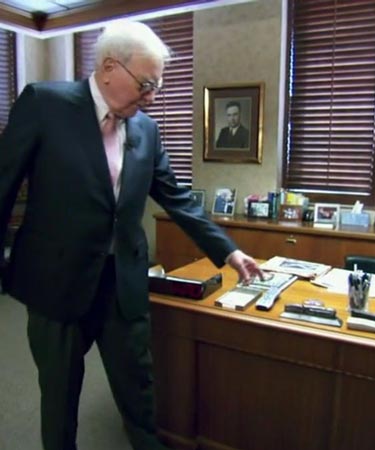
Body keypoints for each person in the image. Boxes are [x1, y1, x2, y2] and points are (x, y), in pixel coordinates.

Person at [0, 20, 263, 450]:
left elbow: (177, 198)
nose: (151, 97)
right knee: (60, 399)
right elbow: (3, 186)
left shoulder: (146, 129)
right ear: (109, 68)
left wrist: (228, 252)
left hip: (123, 283)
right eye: (146, 84)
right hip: (57, 283)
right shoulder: (45, 105)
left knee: (139, 392)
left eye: (156, 87)